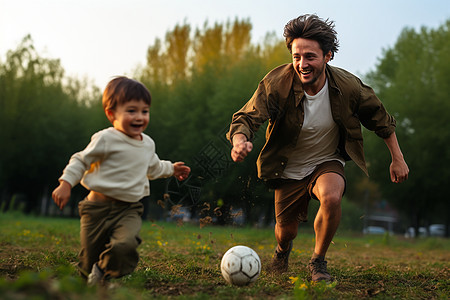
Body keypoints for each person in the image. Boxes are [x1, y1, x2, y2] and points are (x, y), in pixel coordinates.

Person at [226, 14, 409, 282]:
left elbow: (380, 119)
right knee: (285, 230)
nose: (302, 64)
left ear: (328, 56)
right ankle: (282, 250)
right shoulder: (277, 84)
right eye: (296, 56)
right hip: (286, 166)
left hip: (327, 159)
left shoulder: (348, 87)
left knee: (332, 196)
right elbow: (247, 116)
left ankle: (318, 262)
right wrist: (239, 141)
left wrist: (398, 158)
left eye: (310, 56)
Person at [52, 76, 191, 285]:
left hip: (129, 209)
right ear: (111, 114)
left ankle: (103, 272)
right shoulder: (106, 139)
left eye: (145, 111)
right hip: (96, 208)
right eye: (131, 111)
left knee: (124, 246)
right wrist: (65, 183)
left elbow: (154, 167)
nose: (139, 117)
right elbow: (80, 160)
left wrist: (172, 169)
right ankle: (87, 284)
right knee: (88, 259)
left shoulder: (147, 144)